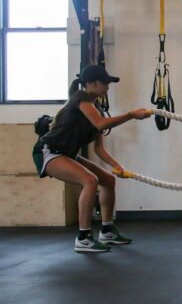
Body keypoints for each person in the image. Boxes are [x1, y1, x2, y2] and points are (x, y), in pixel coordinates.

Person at [32, 65, 150, 253]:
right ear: (89, 84)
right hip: (49, 151)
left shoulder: (96, 110)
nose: (108, 86)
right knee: (89, 180)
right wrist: (131, 115)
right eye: (104, 82)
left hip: (68, 154)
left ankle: (107, 230)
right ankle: (84, 238)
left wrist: (117, 166)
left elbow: (99, 148)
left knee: (108, 180)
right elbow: (101, 124)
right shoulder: (81, 100)